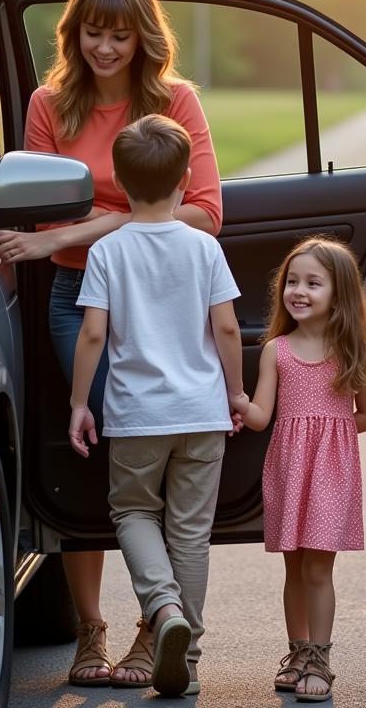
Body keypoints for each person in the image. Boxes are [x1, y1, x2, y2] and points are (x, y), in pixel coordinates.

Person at [0, 0, 222, 687]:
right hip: (76, 302)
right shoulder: (49, 104)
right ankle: (89, 632)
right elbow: (43, 203)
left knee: (146, 469)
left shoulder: (176, 100)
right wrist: (107, 223)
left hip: (158, 302)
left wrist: (69, 233)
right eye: (93, 32)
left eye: (120, 35)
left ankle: (157, 633)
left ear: (144, 37)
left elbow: (206, 212)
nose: (105, 49)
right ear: (75, 33)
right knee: (90, 454)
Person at [67, 113, 247, 698]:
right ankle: (187, 657)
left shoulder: (108, 250)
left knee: (133, 513)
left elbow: (93, 334)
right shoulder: (203, 248)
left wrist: (78, 404)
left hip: (138, 415)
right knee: (191, 534)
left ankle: (161, 607)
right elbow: (226, 328)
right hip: (201, 413)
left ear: (117, 180)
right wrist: (236, 393)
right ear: (185, 179)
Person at [237, 236, 366, 703]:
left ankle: (320, 659)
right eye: (292, 282)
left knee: (319, 570)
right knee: (294, 568)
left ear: (338, 294)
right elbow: (263, 416)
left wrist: (331, 437)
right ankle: (297, 652)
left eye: (313, 284)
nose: (298, 291)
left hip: (331, 474)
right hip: (287, 470)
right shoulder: (276, 350)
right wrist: (238, 402)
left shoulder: (350, 350)